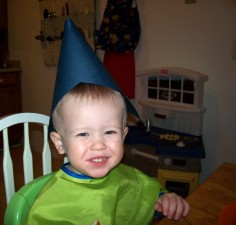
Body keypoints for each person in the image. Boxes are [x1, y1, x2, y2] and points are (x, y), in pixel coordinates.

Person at [23, 19, 190, 225]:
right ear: (59, 143)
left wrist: (164, 200)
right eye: (83, 134)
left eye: (110, 132)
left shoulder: (125, 175)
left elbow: (147, 195)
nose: (99, 144)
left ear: (124, 135)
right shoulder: (49, 207)